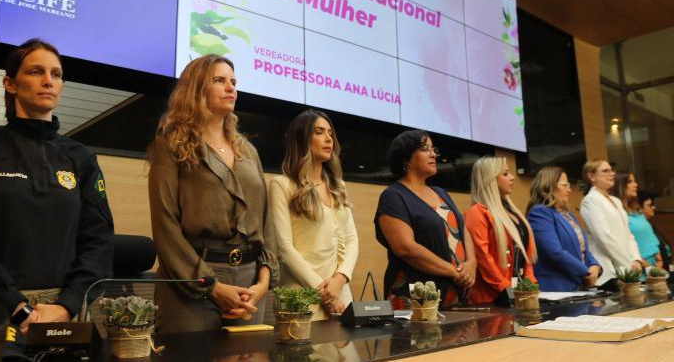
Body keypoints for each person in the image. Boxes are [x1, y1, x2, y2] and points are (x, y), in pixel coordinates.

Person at [0, 39, 114, 335]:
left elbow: (99, 241)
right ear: (10, 84)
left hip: (64, 313)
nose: (48, 81)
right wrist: (16, 306)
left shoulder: (82, 158)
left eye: (56, 74)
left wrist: (67, 305)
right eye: (36, 71)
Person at [148, 54, 277, 333]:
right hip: (192, 281)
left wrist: (264, 281)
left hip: (249, 283)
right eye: (219, 80)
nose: (231, 88)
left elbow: (266, 222)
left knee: (248, 353)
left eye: (233, 82)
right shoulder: (170, 143)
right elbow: (165, 224)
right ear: (196, 88)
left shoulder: (248, 151)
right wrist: (212, 286)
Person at [268, 110, 358, 320]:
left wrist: (339, 280)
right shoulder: (282, 185)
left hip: (340, 294)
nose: (328, 138)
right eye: (319, 132)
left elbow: (352, 240)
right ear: (301, 139)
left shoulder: (339, 186)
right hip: (301, 297)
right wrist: (325, 293)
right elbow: (284, 249)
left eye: (330, 133)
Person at [374, 130, 476, 309]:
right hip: (416, 299)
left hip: (456, 294)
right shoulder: (394, 196)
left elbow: (463, 229)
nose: (433, 154)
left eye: (433, 149)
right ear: (406, 158)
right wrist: (455, 272)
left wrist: (471, 264)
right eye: (424, 149)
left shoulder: (441, 192)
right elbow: (406, 248)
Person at [465, 156, 537, 305]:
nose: (512, 178)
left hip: (519, 296)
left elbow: (527, 258)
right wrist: (505, 288)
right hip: (492, 300)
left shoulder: (514, 213)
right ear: (489, 179)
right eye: (505, 174)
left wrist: (530, 286)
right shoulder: (477, 213)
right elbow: (483, 258)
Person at [526, 167, 601, 291]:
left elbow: (582, 248)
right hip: (558, 288)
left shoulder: (568, 214)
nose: (569, 190)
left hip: (577, 287)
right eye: (565, 185)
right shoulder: (540, 213)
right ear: (548, 186)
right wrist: (586, 272)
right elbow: (555, 253)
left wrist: (595, 266)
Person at [579, 160, 645, 288]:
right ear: (592, 176)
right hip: (608, 271)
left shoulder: (616, 201)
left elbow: (628, 235)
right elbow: (604, 238)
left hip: (626, 267)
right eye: (605, 171)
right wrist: (627, 263)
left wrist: (636, 260)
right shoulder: (590, 201)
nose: (612, 174)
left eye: (611, 170)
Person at [613, 171, 662, 267]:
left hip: (654, 263)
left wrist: (659, 257)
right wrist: (646, 266)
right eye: (630, 182)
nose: (636, 185)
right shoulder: (617, 213)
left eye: (635, 181)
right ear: (620, 186)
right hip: (637, 266)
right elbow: (622, 245)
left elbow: (649, 235)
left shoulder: (636, 210)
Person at [639, 192, 672, 270]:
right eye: (649, 205)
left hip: (664, 267)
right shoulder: (638, 229)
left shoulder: (650, 225)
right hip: (650, 268)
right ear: (640, 208)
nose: (653, 207)